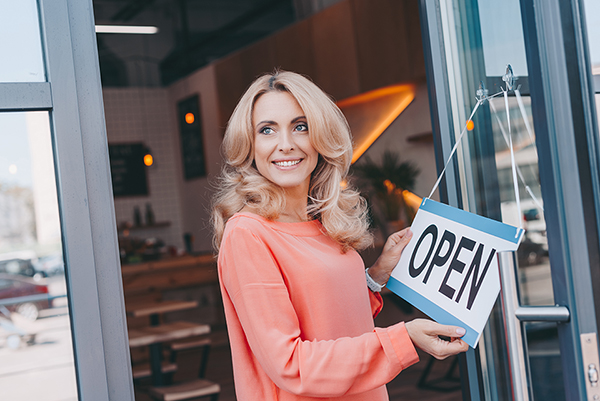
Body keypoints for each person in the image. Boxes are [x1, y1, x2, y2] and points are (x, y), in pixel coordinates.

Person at [211, 70, 468, 400]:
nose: (286, 144)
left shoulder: (321, 222)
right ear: (250, 145)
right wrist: (405, 338)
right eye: (267, 130)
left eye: (300, 126)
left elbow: (329, 316)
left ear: (320, 135)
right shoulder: (247, 235)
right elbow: (291, 365)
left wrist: (377, 276)